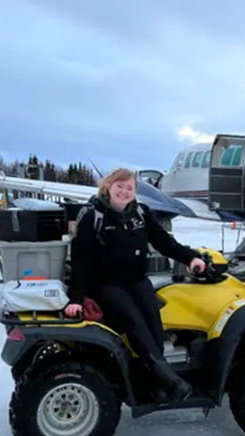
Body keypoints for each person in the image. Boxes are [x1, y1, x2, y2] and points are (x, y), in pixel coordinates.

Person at [65, 168, 206, 401]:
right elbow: (80, 260)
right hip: (106, 284)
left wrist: (190, 258)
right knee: (133, 320)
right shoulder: (93, 216)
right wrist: (76, 298)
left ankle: (156, 380)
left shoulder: (141, 213)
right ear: (108, 186)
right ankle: (168, 379)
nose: (124, 191)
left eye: (129, 188)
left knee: (154, 321)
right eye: (119, 186)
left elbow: (164, 242)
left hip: (137, 281)